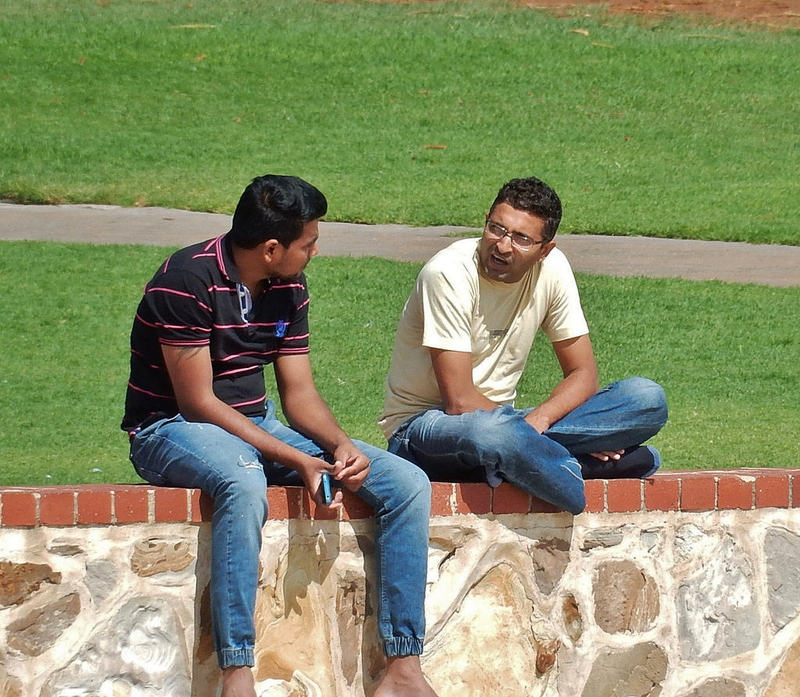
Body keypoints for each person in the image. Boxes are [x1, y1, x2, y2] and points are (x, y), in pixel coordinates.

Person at [122, 175, 438, 697]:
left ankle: (403, 669)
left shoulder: (288, 284)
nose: (315, 249)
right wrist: (295, 456)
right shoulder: (184, 281)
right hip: (170, 429)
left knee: (406, 484)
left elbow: (299, 393)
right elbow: (198, 402)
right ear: (272, 249)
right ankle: (237, 673)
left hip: (256, 424)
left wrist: (339, 445)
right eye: (308, 241)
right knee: (243, 483)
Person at [379, 176, 668, 516]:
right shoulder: (446, 273)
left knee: (645, 398)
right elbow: (458, 400)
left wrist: (536, 426)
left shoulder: (553, 269)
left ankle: (517, 464)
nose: (502, 246)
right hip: (426, 429)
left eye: (521, 239)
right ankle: (563, 467)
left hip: (508, 424)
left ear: (546, 249)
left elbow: (583, 375)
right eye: (496, 229)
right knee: (491, 434)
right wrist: (524, 434)